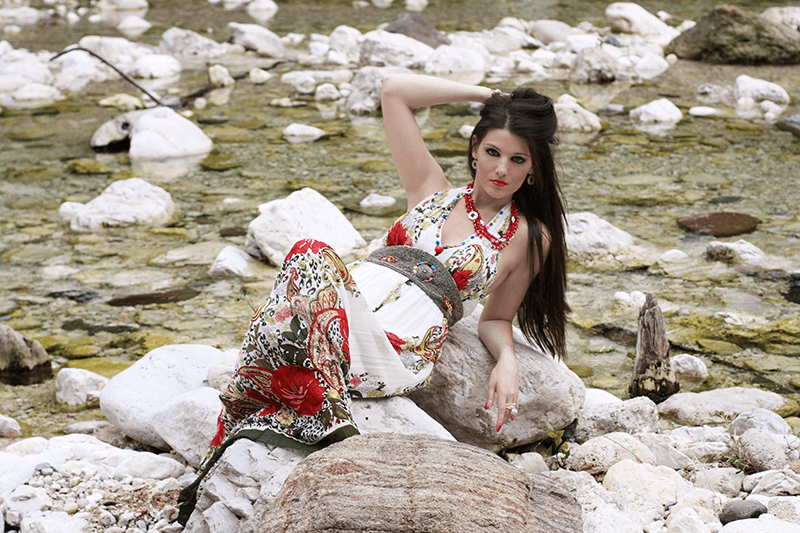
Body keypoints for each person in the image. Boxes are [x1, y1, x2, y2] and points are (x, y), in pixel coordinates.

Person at [177, 74, 569, 523]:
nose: (502, 170)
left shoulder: (528, 237)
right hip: (345, 304)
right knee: (307, 257)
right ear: (475, 149)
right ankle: (313, 407)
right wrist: (487, 96)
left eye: (518, 160)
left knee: (308, 257)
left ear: (532, 168)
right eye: (493, 152)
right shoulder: (431, 190)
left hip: (396, 343)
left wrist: (507, 360)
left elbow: (495, 319)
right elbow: (393, 91)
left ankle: (327, 419)